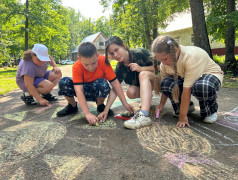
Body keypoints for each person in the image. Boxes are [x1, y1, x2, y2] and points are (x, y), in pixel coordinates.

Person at [152, 35, 224, 128]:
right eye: (160, 60)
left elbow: (187, 89)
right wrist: (161, 104)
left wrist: (182, 116)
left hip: (209, 74)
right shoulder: (164, 64)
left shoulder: (190, 57)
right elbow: (165, 86)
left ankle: (210, 111)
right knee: (166, 83)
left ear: (175, 49)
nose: (163, 63)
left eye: (165, 59)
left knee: (201, 86)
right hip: (186, 76)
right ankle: (187, 107)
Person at [56, 42, 134, 125]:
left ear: (97, 55)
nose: (90, 67)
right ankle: (72, 106)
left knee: (103, 84)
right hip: (82, 91)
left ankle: (100, 105)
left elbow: (115, 83)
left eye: (93, 63)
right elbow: (79, 90)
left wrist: (124, 103)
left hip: (96, 90)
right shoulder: (76, 66)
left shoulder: (104, 61)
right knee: (63, 82)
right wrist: (87, 113)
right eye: (86, 64)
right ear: (79, 59)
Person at [104, 36, 155, 129]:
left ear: (123, 45)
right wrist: (106, 110)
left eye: (117, 50)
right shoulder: (120, 67)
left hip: (156, 82)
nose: (115, 55)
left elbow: (159, 68)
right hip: (143, 86)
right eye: (112, 53)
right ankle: (147, 99)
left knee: (143, 74)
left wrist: (141, 69)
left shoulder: (140, 53)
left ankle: (144, 115)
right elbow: (115, 88)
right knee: (130, 92)